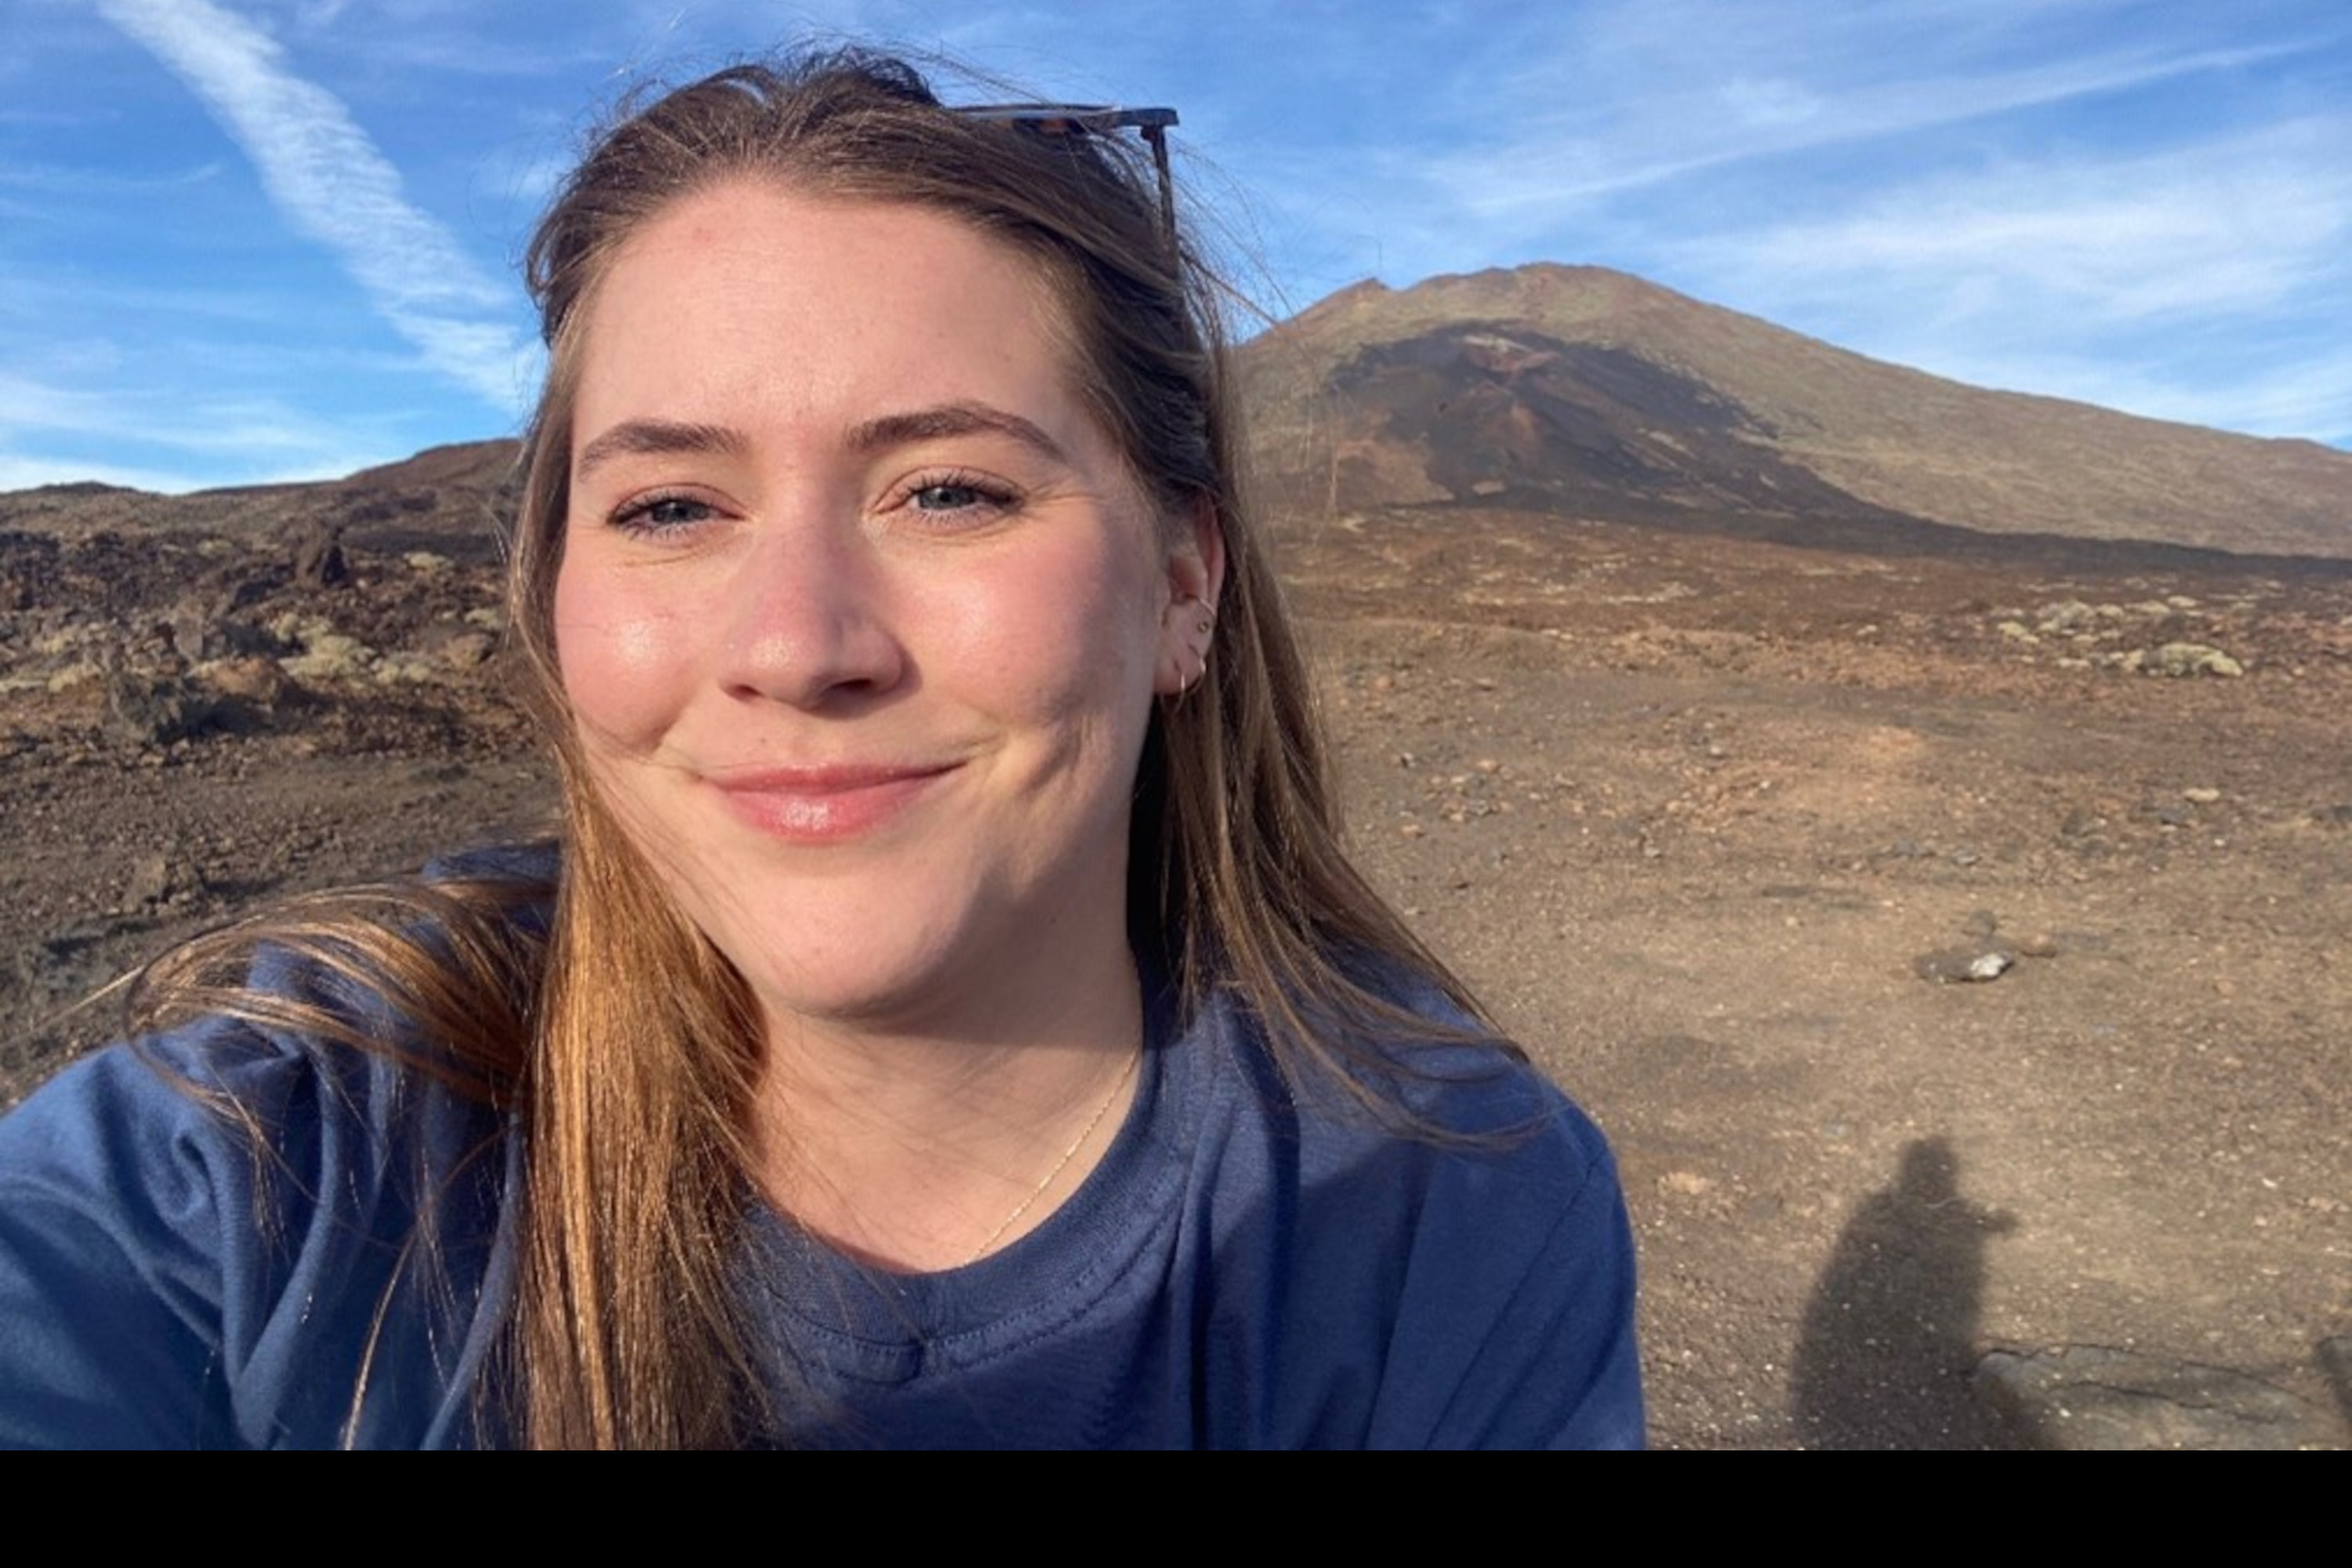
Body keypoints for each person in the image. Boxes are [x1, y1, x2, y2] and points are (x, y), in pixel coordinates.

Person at [0, 47, 1641, 1449]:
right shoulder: (275, 1164)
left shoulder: (1446, 1211)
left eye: (949, 489)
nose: (796, 643)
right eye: (669, 508)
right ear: (554, 594)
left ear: (1184, 586)